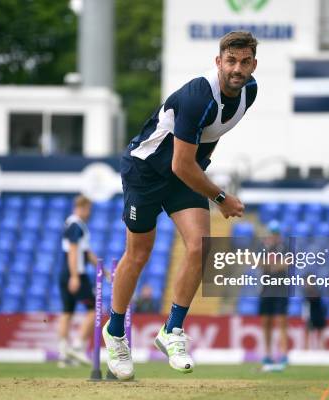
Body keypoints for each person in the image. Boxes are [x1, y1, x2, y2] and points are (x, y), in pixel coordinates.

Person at [102, 31, 258, 380]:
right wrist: (221, 198)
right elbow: (180, 164)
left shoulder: (250, 91)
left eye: (244, 61)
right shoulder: (198, 95)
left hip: (184, 173)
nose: (237, 68)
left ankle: (171, 331)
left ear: (253, 64)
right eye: (231, 61)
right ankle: (114, 333)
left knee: (201, 247)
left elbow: (211, 136)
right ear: (218, 62)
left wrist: (205, 169)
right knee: (139, 253)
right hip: (146, 170)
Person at [57, 195, 100, 367]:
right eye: (89, 209)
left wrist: (101, 269)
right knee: (94, 309)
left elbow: (87, 252)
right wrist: (75, 276)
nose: (89, 213)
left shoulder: (72, 224)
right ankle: (77, 347)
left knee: (67, 313)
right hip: (76, 274)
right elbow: (74, 251)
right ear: (83, 207)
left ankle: (63, 354)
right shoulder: (76, 225)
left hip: (65, 273)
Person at [258, 220, 290, 371]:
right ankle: (267, 354)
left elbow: (283, 264)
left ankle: (283, 354)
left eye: (275, 234)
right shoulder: (264, 247)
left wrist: (270, 264)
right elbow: (258, 263)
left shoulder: (284, 247)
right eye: (272, 233)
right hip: (266, 289)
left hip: (281, 289)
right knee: (266, 323)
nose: (273, 236)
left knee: (282, 322)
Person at [304, 285, 327, 349]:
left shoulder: (317, 292)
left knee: (320, 332)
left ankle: (321, 347)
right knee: (307, 330)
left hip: (318, 315)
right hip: (310, 315)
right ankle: (307, 347)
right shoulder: (306, 293)